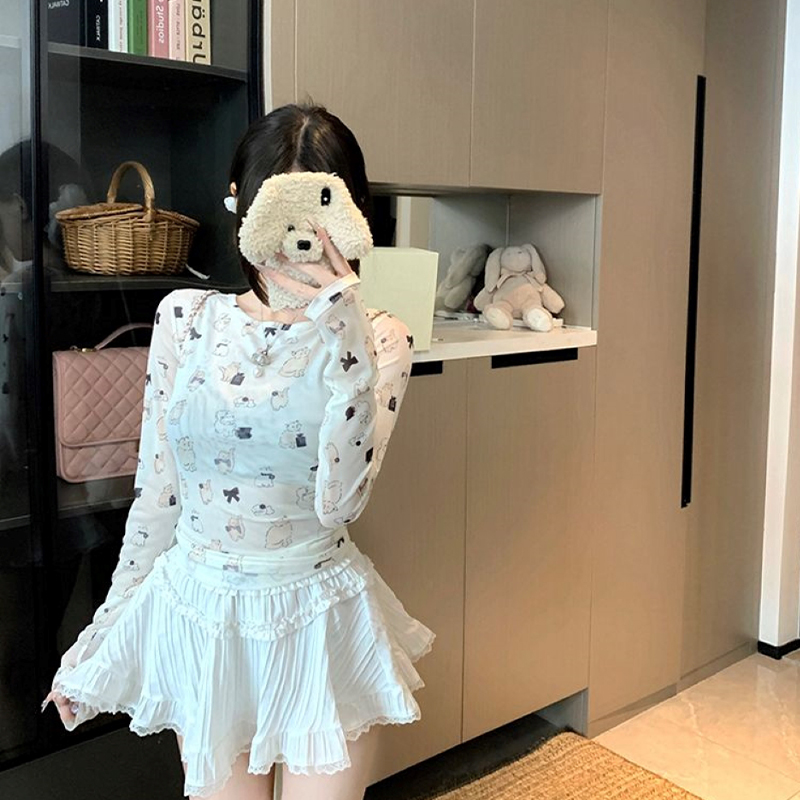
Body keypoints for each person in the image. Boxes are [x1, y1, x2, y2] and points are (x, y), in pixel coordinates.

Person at [41, 103, 436, 800]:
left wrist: (342, 332)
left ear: (355, 214)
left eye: (320, 211)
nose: (298, 242)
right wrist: (101, 637)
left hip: (319, 619)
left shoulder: (381, 337)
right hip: (205, 617)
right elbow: (158, 495)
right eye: (277, 211)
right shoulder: (186, 318)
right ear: (240, 205)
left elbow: (340, 502)